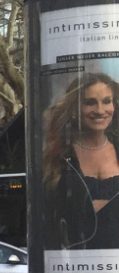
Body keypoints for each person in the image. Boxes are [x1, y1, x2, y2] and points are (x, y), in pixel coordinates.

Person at [44, 71, 119, 250]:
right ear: (75, 108)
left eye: (106, 101)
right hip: (76, 260)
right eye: (90, 102)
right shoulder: (58, 156)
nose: (100, 110)